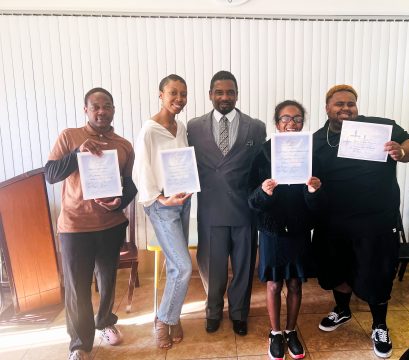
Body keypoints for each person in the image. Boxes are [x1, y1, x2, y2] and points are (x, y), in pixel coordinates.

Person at [312, 85, 409, 359]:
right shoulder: (317, 140)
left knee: (378, 274)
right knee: (336, 270)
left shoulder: (380, 128)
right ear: (327, 108)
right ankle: (342, 310)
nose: (345, 108)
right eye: (339, 104)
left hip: (376, 221)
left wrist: (402, 152)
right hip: (334, 221)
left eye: (351, 104)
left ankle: (379, 325)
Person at [45, 88, 137, 360]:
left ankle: (105, 321)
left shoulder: (123, 145)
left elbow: (131, 185)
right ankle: (79, 343)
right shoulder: (70, 136)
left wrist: (119, 203)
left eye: (107, 106)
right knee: (77, 286)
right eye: (95, 106)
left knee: (108, 279)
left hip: (111, 224)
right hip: (75, 227)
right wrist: (77, 154)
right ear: (86, 110)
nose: (101, 111)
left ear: (113, 109)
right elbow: (50, 174)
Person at [187, 70, 266, 336]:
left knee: (244, 266)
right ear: (210, 94)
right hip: (210, 208)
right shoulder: (193, 127)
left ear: (236, 94)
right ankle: (212, 312)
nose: (224, 97)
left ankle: (239, 313)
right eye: (219, 92)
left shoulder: (256, 127)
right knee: (212, 267)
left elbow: (260, 167)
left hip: (245, 208)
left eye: (230, 92)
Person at [248, 100, 324, 360]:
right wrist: (264, 192)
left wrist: (314, 190)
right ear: (276, 123)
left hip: (300, 228)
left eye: (297, 119)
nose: (291, 124)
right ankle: (275, 333)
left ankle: (291, 331)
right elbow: (251, 200)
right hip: (272, 230)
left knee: (295, 283)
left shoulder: (312, 154)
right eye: (285, 118)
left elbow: (318, 204)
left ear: (303, 122)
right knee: (273, 283)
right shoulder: (263, 153)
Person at [132, 74, 192, 349]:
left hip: (182, 201)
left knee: (173, 264)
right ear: (161, 95)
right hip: (162, 205)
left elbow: (180, 163)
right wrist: (159, 198)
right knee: (183, 266)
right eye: (173, 93)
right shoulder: (149, 130)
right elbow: (141, 170)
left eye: (183, 94)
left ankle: (173, 316)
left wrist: (188, 186)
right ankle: (163, 318)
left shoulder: (180, 128)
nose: (178, 99)